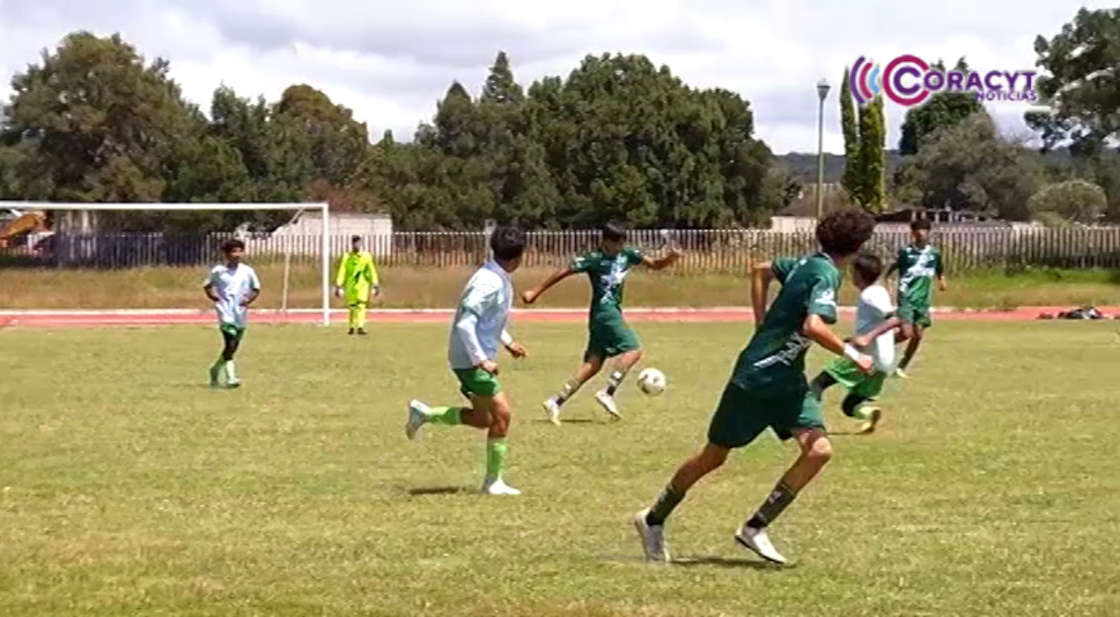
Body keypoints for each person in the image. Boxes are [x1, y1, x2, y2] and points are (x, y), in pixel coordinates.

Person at [633, 209, 876, 566]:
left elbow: (760, 269)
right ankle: (652, 518)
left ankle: (755, 527)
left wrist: (761, 321)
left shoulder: (805, 264)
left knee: (819, 450)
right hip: (757, 380)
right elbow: (813, 326)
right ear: (856, 247)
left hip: (788, 381)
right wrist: (853, 354)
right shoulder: (825, 273)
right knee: (713, 457)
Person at [405, 227, 530, 496]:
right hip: (470, 361)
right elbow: (466, 323)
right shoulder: (489, 282)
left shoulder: (497, 276)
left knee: (484, 418)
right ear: (519, 257)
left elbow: (488, 321)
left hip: (470, 358)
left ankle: (425, 414)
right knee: (503, 414)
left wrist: (508, 343)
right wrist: (481, 359)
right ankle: (493, 481)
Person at [521, 223, 680, 424]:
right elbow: (563, 271)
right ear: (605, 241)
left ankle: (555, 401)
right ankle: (608, 392)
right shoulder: (594, 259)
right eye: (616, 243)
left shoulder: (627, 255)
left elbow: (655, 264)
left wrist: (669, 259)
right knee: (634, 350)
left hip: (604, 315)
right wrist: (535, 291)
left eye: (623, 242)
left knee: (593, 364)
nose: (620, 247)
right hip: (605, 313)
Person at [810, 253, 899, 434]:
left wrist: (867, 338)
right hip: (883, 363)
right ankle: (870, 413)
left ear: (859, 273)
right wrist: (855, 338)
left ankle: (807, 426)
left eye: (852, 271)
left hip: (865, 357)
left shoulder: (870, 294)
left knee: (817, 384)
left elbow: (896, 318)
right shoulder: (878, 292)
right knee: (850, 405)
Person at [886, 219, 947, 377]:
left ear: (928, 232)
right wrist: (886, 283)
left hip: (923, 300)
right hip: (906, 296)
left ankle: (901, 367)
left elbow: (940, 270)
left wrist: (942, 281)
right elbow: (892, 268)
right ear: (913, 233)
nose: (921, 232)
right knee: (906, 333)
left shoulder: (934, 254)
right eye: (918, 230)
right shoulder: (906, 252)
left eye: (924, 229)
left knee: (918, 335)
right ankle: (876, 346)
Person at [203, 239, 261, 388]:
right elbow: (208, 285)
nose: (237, 254)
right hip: (225, 312)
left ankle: (215, 369)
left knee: (233, 346)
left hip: (240, 313)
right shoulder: (218, 271)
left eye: (239, 251)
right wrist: (213, 296)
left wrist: (248, 299)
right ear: (226, 254)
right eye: (233, 251)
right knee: (231, 342)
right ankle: (231, 378)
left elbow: (256, 288)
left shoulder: (247, 271)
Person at [335, 235, 380, 336]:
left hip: (362, 285)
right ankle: (351, 326)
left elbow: (371, 270)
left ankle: (360, 326)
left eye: (358, 243)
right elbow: (342, 270)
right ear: (352, 244)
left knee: (361, 305)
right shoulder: (347, 257)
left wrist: (375, 283)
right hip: (351, 284)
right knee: (352, 306)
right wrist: (339, 284)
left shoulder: (366, 257)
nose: (357, 245)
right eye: (355, 243)